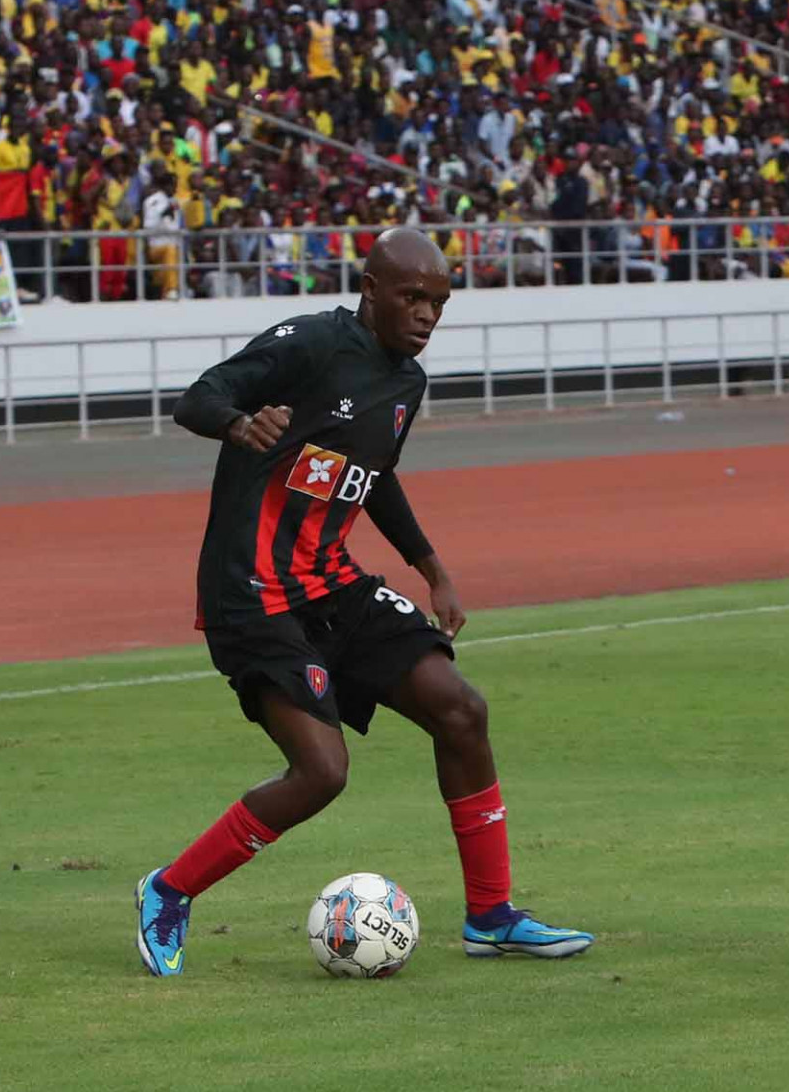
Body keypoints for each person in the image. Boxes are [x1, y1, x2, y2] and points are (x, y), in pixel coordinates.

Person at [137, 228, 593, 976]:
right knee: (322, 771)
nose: (426, 315)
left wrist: (430, 567)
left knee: (461, 709)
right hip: (252, 596)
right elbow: (201, 394)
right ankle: (169, 889)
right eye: (413, 297)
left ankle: (492, 916)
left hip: (332, 586)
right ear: (371, 288)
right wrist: (239, 422)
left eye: (439, 303)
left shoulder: (406, 385)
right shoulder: (312, 345)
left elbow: (373, 476)